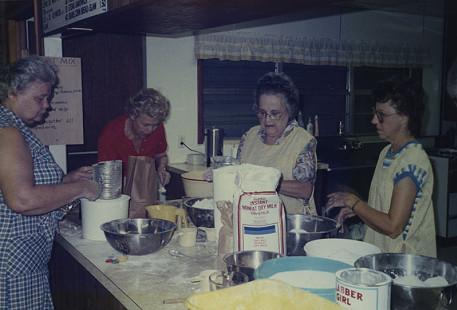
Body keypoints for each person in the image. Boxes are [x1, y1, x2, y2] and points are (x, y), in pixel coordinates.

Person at [0, 55, 100, 308]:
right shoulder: (8, 132)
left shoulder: (14, 127)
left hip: (23, 258)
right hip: (13, 262)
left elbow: (13, 184)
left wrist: (67, 179)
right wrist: (81, 188)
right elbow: (22, 200)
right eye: (40, 98)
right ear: (12, 93)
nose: (47, 105)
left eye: (48, 98)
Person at [325, 77, 436, 257]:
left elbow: (393, 227)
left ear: (404, 117)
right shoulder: (387, 151)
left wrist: (354, 202)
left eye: (381, 115)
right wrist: (359, 210)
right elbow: (388, 205)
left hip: (405, 263)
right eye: (375, 113)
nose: (374, 120)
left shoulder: (412, 161)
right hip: (384, 255)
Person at [236, 72, 317, 215]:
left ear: (290, 110)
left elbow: (305, 190)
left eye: (275, 113)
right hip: (252, 217)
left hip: (290, 223)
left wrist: (262, 182)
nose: (267, 120)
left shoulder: (302, 141)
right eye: (262, 112)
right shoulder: (249, 136)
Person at [97, 88, 171, 187]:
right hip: (118, 189)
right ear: (132, 115)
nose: (150, 130)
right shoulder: (111, 133)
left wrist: (161, 168)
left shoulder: (158, 128)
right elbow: (106, 174)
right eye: (145, 125)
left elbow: (161, 155)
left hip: (145, 187)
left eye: (155, 125)